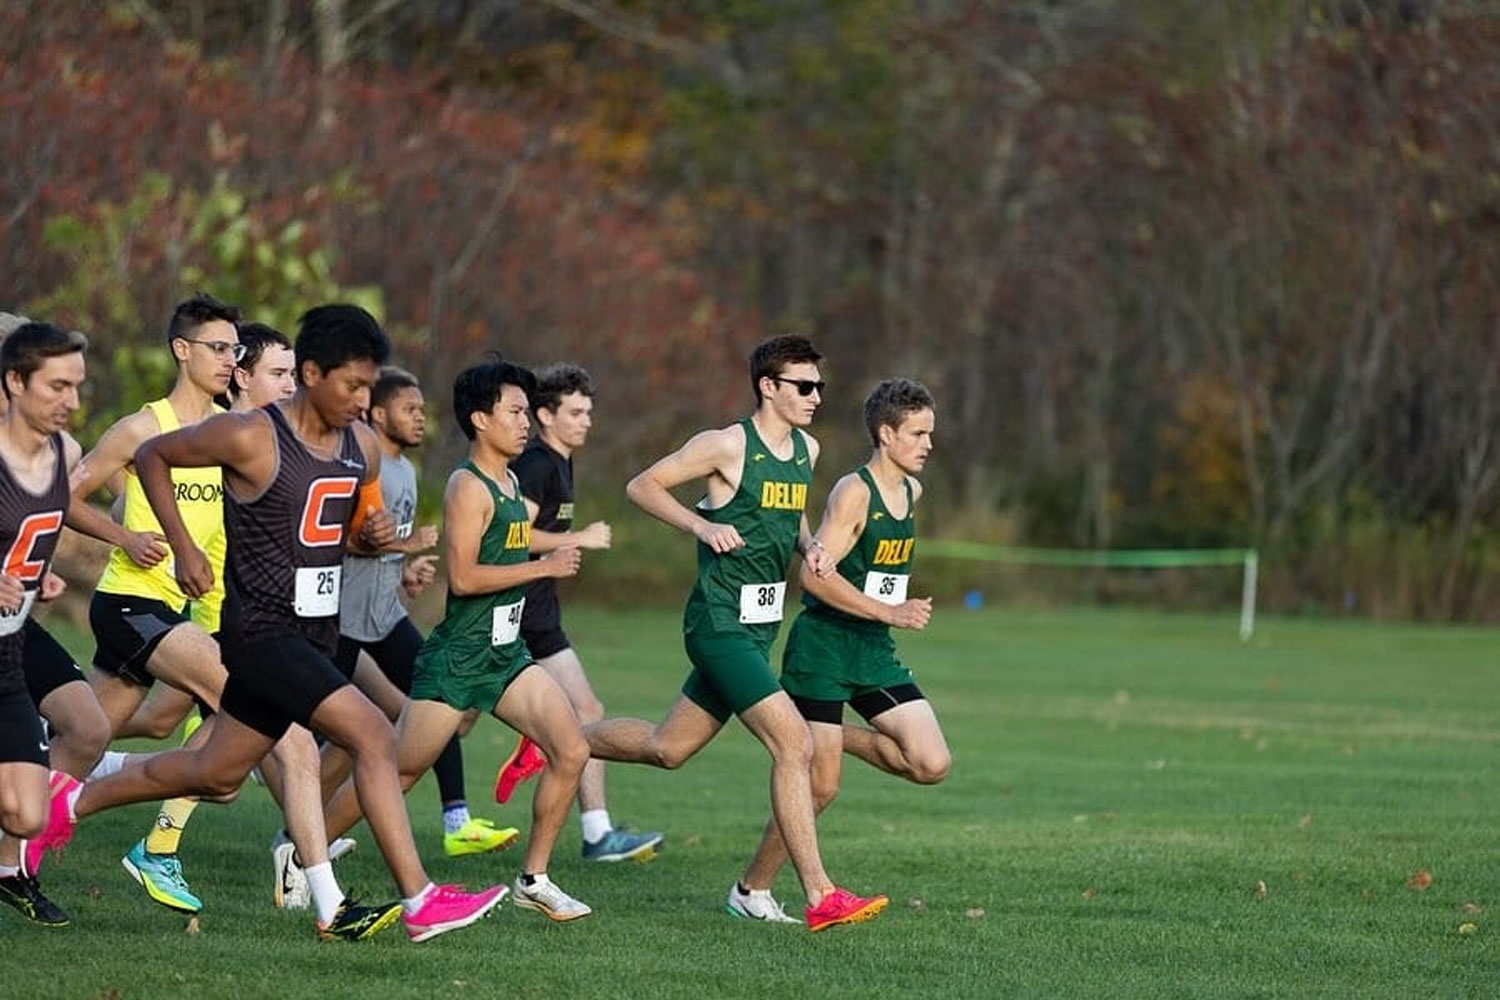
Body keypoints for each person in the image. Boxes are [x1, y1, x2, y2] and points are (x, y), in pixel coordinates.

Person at [24, 304, 507, 942]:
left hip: (314, 634)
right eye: (350, 386)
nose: (362, 401)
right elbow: (156, 458)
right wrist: (184, 547)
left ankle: (70, 801)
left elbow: (334, 536)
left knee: (216, 773)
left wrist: (372, 539)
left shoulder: (359, 446)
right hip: (259, 633)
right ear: (310, 373)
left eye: (369, 387)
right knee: (372, 733)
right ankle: (419, 900)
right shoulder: (253, 434)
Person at [583, 335, 887, 931]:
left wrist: (811, 547)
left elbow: (792, 507)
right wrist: (700, 525)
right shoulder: (725, 444)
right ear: (768, 387)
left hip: (758, 628)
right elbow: (641, 486)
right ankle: (819, 894)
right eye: (804, 386)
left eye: (819, 386)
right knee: (794, 744)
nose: (816, 396)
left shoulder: (807, 448)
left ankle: (557, 739)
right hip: (716, 623)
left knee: (666, 749)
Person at [319, 358, 595, 922]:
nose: (524, 423)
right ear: (480, 419)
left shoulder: (513, 478)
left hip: (505, 656)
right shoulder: (467, 487)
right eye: (515, 412)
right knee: (397, 771)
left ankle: (534, 879)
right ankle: (305, 855)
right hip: (460, 659)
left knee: (572, 749)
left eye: (525, 412)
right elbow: (465, 578)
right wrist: (543, 568)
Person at [733, 377, 949, 915]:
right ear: (886, 433)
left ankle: (828, 735)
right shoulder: (855, 493)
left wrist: (885, 615)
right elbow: (814, 577)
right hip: (825, 649)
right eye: (918, 433)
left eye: (930, 433)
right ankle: (751, 890)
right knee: (822, 786)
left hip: (872, 650)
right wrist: (891, 611)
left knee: (929, 762)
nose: (927, 444)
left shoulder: (912, 491)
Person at [329, 366, 516, 857]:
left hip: (385, 617)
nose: (420, 419)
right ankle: (303, 824)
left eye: (422, 410)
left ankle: (457, 820)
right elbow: (342, 542)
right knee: (316, 733)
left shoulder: (406, 472)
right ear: (378, 412)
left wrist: (404, 572)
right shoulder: (359, 465)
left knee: (440, 695)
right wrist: (407, 546)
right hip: (340, 622)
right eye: (409, 410)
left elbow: (383, 550)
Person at [492, 363, 663, 862]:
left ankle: (596, 832)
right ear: (544, 414)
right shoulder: (537, 463)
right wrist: (578, 537)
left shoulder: (562, 461)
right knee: (440, 724)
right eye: (575, 412)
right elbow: (513, 534)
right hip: (513, 612)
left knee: (587, 712)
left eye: (589, 411)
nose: (586, 421)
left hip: (542, 614)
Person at [0, 322, 92, 927]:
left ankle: (9, 873)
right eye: (57, 387)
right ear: (14, 382)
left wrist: (38, 576)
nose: (72, 402)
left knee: (27, 817)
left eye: (77, 387)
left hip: (9, 650)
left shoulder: (66, 454)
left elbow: (32, 536)